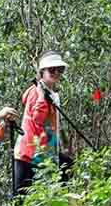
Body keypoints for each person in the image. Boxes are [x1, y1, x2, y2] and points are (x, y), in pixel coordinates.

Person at [13, 51, 73, 197]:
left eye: (60, 69)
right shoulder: (35, 92)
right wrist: (40, 96)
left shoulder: (52, 93)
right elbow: (38, 119)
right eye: (52, 69)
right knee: (20, 198)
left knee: (66, 169)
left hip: (46, 152)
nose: (56, 73)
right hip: (29, 154)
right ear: (42, 72)